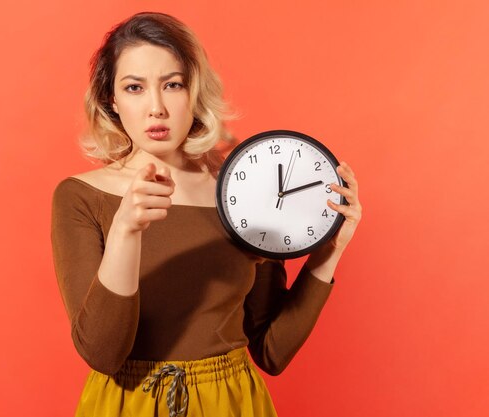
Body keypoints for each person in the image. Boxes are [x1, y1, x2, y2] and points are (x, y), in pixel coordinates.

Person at [51, 12, 362, 417]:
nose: (156, 108)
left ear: (194, 92)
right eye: (134, 88)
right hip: (128, 404)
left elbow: (271, 350)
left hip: (231, 403)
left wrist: (329, 252)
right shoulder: (80, 197)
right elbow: (103, 353)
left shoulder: (241, 190)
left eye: (173, 85)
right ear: (111, 99)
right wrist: (127, 229)